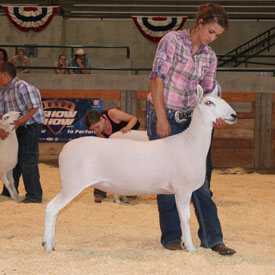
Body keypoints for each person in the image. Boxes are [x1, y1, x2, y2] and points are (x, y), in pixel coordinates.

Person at [146, 3, 236, 256]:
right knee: (167, 180)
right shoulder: (172, 41)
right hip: (165, 115)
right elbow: (156, 78)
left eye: (217, 35)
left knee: (200, 181)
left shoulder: (209, 56)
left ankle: (212, 238)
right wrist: (161, 118)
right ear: (199, 24)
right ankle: (172, 238)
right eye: (211, 32)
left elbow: (208, 93)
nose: (213, 39)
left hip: (193, 119)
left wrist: (216, 116)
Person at [0, 62, 45, 203]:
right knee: (15, 159)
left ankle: (34, 195)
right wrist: (1, 129)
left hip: (30, 125)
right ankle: (9, 191)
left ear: (5, 74)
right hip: (16, 127)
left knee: (27, 158)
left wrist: (23, 120)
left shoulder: (23, 86)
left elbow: (35, 106)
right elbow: (1, 114)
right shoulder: (3, 92)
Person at [84, 108, 140, 202]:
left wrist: (127, 127)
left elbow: (134, 119)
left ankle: (130, 191)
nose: (97, 131)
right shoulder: (100, 133)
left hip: (131, 137)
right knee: (104, 162)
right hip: (117, 145)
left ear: (102, 119)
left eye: (97, 127)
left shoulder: (112, 114)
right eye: (93, 129)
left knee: (131, 164)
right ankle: (100, 191)